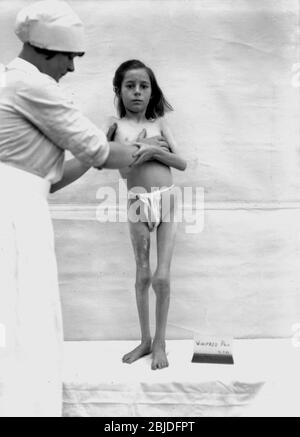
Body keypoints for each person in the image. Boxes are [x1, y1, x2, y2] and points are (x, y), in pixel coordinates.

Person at [0, 2, 178, 417]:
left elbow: (54, 175)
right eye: (69, 58)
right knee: (26, 319)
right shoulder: (34, 87)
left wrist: (121, 147)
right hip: (15, 214)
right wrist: (142, 147)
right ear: (45, 49)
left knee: (23, 319)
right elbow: (99, 153)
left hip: (24, 203)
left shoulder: (12, 81)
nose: (72, 69)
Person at [106, 60, 187, 370]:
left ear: (152, 91)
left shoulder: (161, 124)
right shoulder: (115, 126)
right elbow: (124, 170)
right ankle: (145, 340)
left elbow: (181, 163)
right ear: (119, 90)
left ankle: (161, 342)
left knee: (162, 278)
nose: (137, 92)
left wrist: (152, 150)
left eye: (144, 86)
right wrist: (143, 145)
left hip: (165, 201)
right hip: (137, 203)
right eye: (130, 86)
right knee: (142, 274)